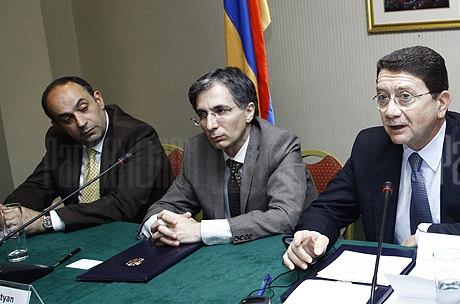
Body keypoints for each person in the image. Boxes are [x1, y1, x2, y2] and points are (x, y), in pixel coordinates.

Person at [283, 45, 460, 269]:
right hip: (388, 280)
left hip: (458, 276)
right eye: (383, 97)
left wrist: (428, 237)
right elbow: (327, 209)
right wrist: (313, 233)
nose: (390, 111)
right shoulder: (370, 147)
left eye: (405, 97)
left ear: (441, 103)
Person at [140, 67, 316, 246]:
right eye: (202, 114)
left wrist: (201, 231)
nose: (210, 125)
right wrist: (159, 225)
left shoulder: (279, 145)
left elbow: (284, 217)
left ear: (248, 111)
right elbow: (167, 206)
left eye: (221, 111)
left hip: (280, 252)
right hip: (219, 257)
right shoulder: (197, 150)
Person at [5, 76, 173, 234]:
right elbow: (38, 187)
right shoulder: (59, 138)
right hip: (79, 234)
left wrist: (45, 221)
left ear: (98, 100)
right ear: (57, 124)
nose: (81, 122)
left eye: (84, 108)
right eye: (67, 119)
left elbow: (123, 205)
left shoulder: (137, 135)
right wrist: (8, 213)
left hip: (130, 236)